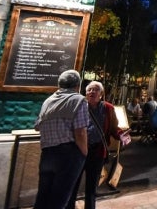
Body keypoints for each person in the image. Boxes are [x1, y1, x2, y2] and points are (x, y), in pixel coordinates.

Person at [33, 70, 89, 209]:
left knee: (43, 197)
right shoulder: (79, 100)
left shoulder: (48, 101)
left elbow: (37, 126)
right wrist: (84, 153)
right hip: (68, 155)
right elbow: (80, 132)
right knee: (59, 199)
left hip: (47, 153)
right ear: (77, 85)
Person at [68, 81, 123, 209]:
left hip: (97, 152)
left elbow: (114, 128)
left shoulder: (108, 108)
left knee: (91, 187)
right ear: (85, 93)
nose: (92, 92)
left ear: (101, 93)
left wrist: (122, 136)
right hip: (79, 151)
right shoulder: (79, 106)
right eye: (89, 90)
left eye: (96, 89)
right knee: (73, 184)